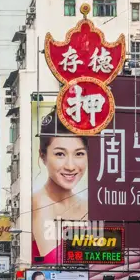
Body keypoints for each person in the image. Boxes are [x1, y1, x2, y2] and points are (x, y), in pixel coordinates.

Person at [31, 111, 89, 262]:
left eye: (79, 154)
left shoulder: (88, 206)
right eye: (60, 154)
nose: (70, 166)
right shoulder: (39, 203)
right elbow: (55, 263)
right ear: (43, 156)